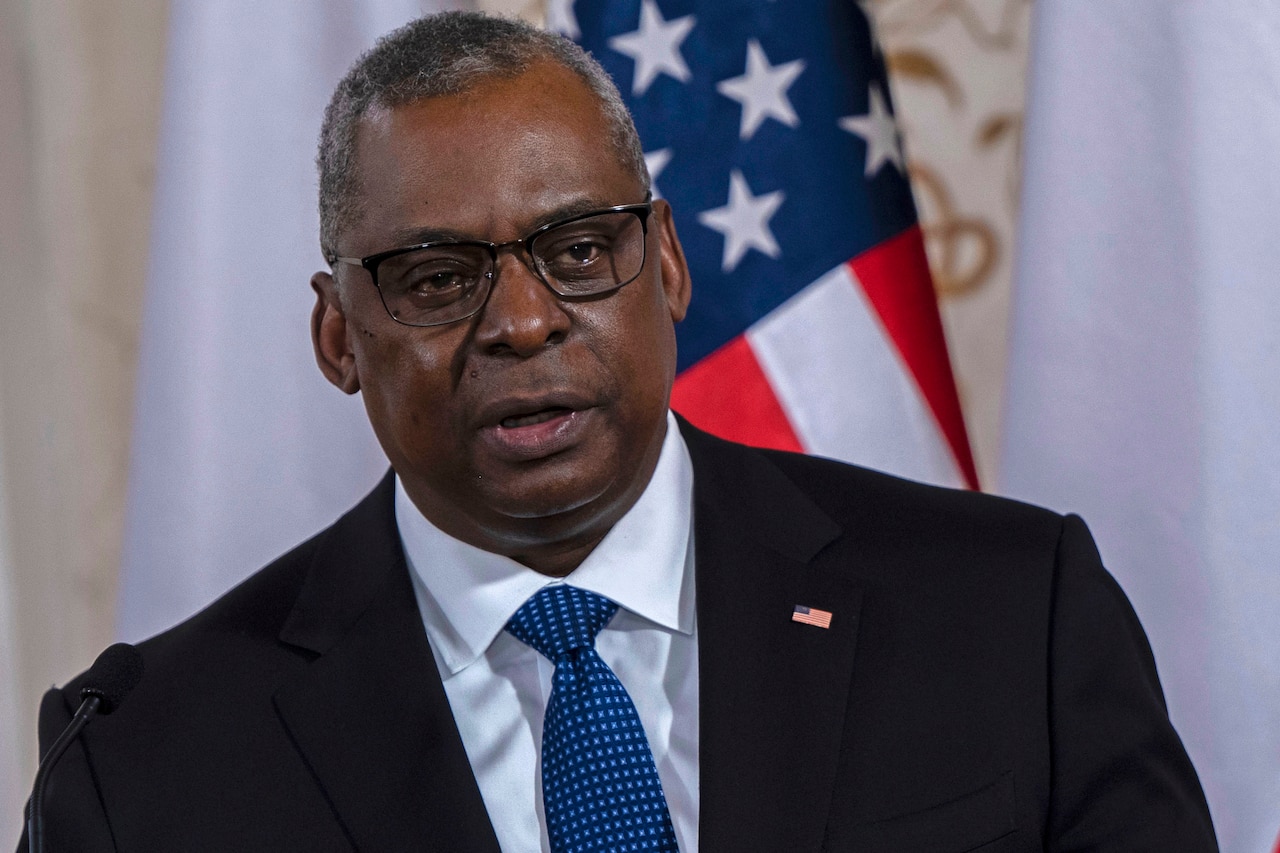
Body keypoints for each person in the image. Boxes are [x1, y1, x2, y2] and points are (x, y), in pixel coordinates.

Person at [22, 12, 1217, 852]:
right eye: (439, 278)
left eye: (579, 250)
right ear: (338, 336)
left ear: (670, 267)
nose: (525, 320)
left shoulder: (1008, 616)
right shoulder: (149, 766)